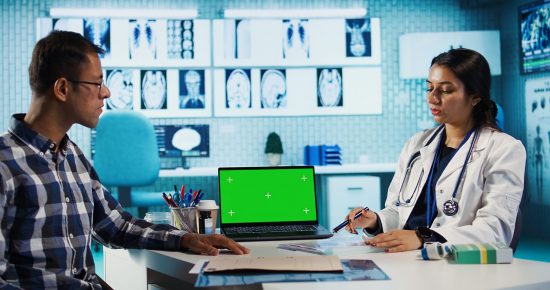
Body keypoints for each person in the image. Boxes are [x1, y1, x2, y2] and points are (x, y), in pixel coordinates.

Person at [0, 31, 249, 289]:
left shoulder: (72, 156)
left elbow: (116, 225)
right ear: (63, 88)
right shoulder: (5, 164)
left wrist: (186, 238)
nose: (106, 93)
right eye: (97, 84)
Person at [346, 48, 526, 253]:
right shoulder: (417, 144)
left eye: (446, 90)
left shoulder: (504, 150)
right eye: (429, 88)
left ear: (475, 96)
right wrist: (376, 221)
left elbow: (495, 232)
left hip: (453, 266)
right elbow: (400, 211)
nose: (432, 98)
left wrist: (424, 238)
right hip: (406, 259)